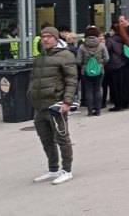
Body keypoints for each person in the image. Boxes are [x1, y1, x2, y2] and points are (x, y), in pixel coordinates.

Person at [29, 26, 78, 185]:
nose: (45, 39)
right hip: (39, 106)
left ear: (56, 38)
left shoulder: (66, 56)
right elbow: (33, 79)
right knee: (45, 139)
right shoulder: (40, 57)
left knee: (62, 138)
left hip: (56, 105)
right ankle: (53, 169)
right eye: (43, 36)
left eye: (49, 36)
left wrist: (67, 102)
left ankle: (67, 170)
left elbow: (71, 80)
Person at [75, 27, 109, 116]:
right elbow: (106, 58)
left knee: (88, 90)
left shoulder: (82, 46)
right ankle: (98, 111)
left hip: (86, 72)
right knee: (98, 90)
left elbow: (78, 60)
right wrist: (100, 66)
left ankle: (90, 112)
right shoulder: (101, 45)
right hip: (99, 71)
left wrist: (84, 67)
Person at [104, 24, 129, 112]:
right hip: (126, 65)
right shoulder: (125, 38)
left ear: (113, 30)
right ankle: (126, 103)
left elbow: (107, 53)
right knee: (126, 85)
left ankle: (118, 105)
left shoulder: (110, 40)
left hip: (115, 66)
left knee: (116, 86)